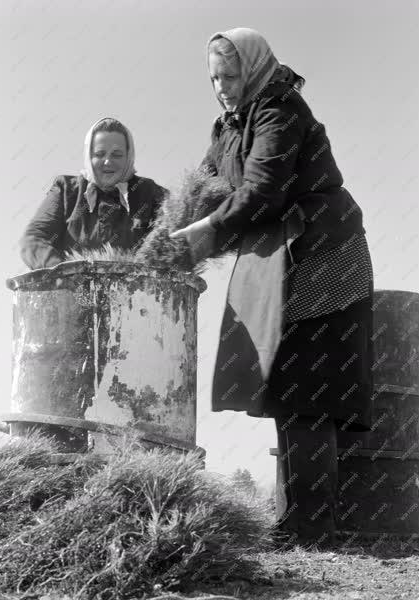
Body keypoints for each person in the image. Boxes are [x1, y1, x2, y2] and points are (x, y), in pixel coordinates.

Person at [171, 27, 374, 548]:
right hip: (281, 259)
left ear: (255, 69)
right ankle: (297, 523)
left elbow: (265, 188)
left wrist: (210, 231)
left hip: (324, 254)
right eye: (214, 77)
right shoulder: (227, 128)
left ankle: (313, 527)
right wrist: (165, 241)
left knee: (309, 389)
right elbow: (201, 190)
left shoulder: (279, 110)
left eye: (231, 75)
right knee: (286, 387)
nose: (221, 87)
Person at [20, 117, 167, 270]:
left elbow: (179, 225)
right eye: (99, 154)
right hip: (71, 291)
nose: (107, 162)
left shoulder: (149, 192)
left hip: (135, 291)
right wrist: (64, 275)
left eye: (117, 154)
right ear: (89, 156)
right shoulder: (66, 190)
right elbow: (33, 239)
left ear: (129, 156)